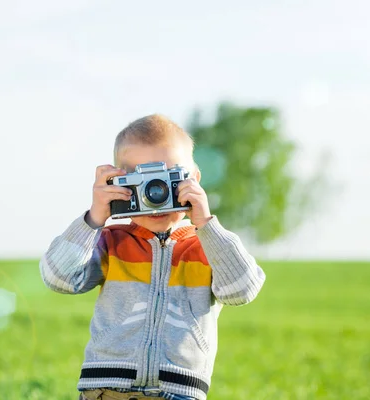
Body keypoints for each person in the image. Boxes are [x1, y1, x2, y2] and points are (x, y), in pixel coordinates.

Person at [39, 114, 266, 400]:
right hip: (106, 389)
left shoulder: (209, 248)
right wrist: (94, 218)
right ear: (118, 181)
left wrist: (207, 224)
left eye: (169, 178)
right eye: (142, 180)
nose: (155, 194)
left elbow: (242, 291)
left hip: (179, 391)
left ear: (194, 180)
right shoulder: (111, 242)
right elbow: (58, 277)